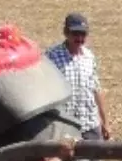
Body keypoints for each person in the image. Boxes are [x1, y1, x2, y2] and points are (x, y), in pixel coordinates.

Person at [46, 13, 112, 143]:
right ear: (66, 33)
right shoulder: (52, 56)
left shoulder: (89, 57)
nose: (80, 38)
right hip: (65, 126)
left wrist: (105, 122)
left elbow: (96, 90)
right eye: (75, 34)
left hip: (90, 125)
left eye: (83, 34)